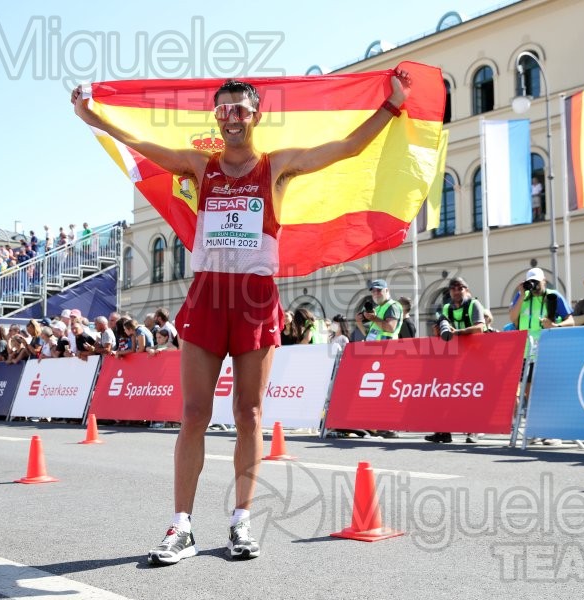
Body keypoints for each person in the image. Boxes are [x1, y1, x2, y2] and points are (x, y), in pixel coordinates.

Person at [73, 71, 412, 564]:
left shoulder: (277, 167)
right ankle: (182, 526)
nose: (232, 118)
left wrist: (391, 107)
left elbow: (345, 148)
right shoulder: (198, 165)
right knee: (193, 414)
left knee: (249, 414)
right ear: (216, 117)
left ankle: (240, 521)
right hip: (208, 294)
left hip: (255, 299)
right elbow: (141, 142)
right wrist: (93, 117)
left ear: (256, 116)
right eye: (224, 110)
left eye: (240, 110)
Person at [509, 267, 574, 446]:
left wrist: (554, 325)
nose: (535, 285)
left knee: (545, 391)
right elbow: (513, 318)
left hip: (547, 349)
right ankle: (536, 430)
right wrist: (521, 295)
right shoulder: (522, 297)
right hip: (525, 350)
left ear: (544, 281)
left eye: (537, 281)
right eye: (532, 282)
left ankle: (552, 432)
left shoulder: (553, 296)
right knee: (529, 392)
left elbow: (571, 321)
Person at [426, 277, 486, 444]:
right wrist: (438, 331)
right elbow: (445, 333)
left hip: (475, 356)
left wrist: (458, 332)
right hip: (453, 356)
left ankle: (473, 430)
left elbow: (480, 327)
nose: (456, 291)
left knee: (470, 395)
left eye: (460, 287)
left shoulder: (474, 305)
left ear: (466, 289)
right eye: (453, 288)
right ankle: (444, 431)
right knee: (447, 393)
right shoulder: (446, 307)